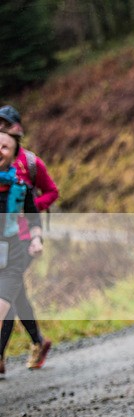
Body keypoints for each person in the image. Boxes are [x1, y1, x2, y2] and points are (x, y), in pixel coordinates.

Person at [0, 105, 57, 371]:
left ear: (17, 130)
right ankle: (38, 340)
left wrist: (27, 210)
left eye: (6, 124)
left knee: (8, 293)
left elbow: (51, 192)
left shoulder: (32, 163)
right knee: (15, 292)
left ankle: (1, 356)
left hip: (21, 239)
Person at [0, 127, 44, 377]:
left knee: (6, 306)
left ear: (14, 153)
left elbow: (34, 219)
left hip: (13, 257)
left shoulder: (21, 187)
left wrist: (37, 240)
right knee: (21, 301)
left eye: (5, 147)